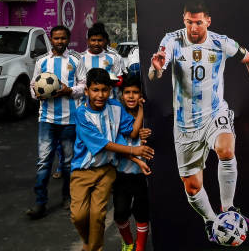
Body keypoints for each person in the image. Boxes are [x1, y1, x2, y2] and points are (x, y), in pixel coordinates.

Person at [147, 0, 249, 243]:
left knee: (226, 150)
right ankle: (211, 221)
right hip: (185, 125)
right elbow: (157, 71)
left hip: (215, 113)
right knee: (192, 187)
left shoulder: (220, 42)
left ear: (208, 21)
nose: (193, 28)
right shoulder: (172, 40)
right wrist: (156, 68)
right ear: (184, 20)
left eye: (198, 22)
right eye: (189, 22)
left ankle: (228, 209)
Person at [70, 68, 154, 251]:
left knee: (98, 215)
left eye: (104, 90)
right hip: (82, 171)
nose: (100, 95)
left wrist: (141, 113)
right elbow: (105, 144)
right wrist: (135, 151)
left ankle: (95, 248)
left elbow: (131, 131)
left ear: (110, 90)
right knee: (79, 216)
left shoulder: (115, 107)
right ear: (86, 91)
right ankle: (90, 243)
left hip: (107, 169)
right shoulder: (81, 114)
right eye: (95, 90)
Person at [27, 25, 86, 219]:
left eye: (63, 38)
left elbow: (83, 85)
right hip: (46, 119)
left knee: (69, 163)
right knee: (44, 162)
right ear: (51, 40)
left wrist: (68, 91)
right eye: (56, 38)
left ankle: (67, 197)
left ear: (68, 39)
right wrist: (37, 94)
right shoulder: (42, 61)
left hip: (70, 120)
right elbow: (33, 85)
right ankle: (40, 203)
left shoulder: (76, 60)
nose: (59, 41)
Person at [114, 75, 153, 251]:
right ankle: (128, 242)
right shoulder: (117, 116)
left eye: (135, 92)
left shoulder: (151, 117)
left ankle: (139, 247)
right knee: (120, 213)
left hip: (142, 177)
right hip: (121, 174)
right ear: (121, 95)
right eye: (127, 92)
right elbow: (121, 144)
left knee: (142, 213)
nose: (131, 96)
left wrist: (149, 137)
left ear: (141, 95)